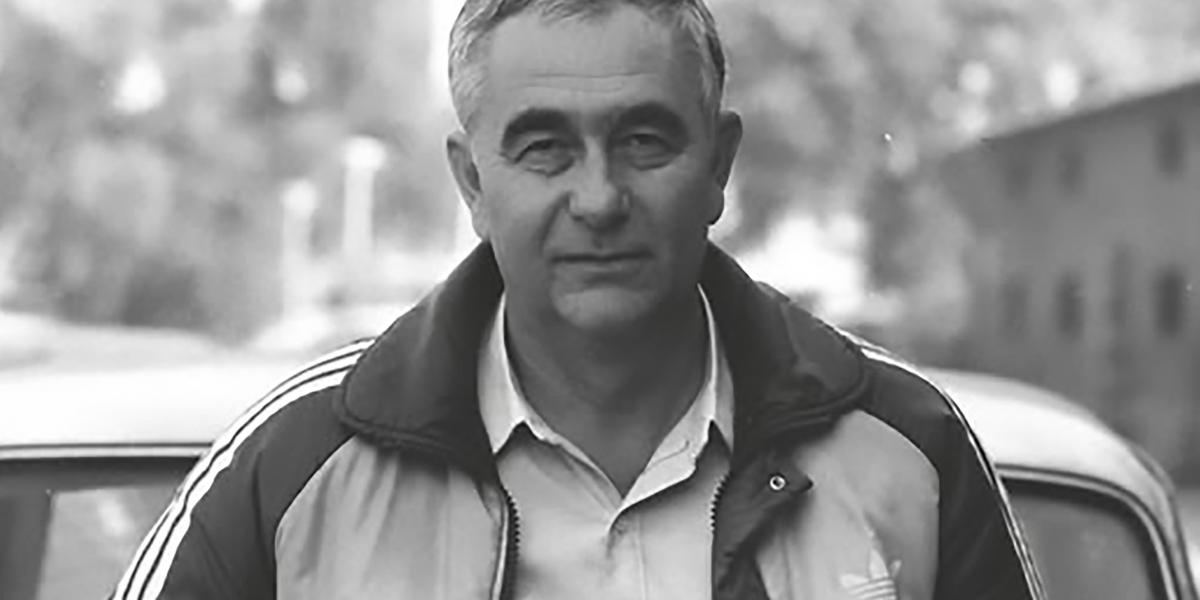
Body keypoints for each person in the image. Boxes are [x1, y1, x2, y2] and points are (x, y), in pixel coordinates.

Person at [112, 1, 1042, 598]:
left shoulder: (906, 454)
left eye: (643, 141)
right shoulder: (294, 470)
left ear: (718, 166)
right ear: (472, 183)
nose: (598, 199)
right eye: (544, 148)